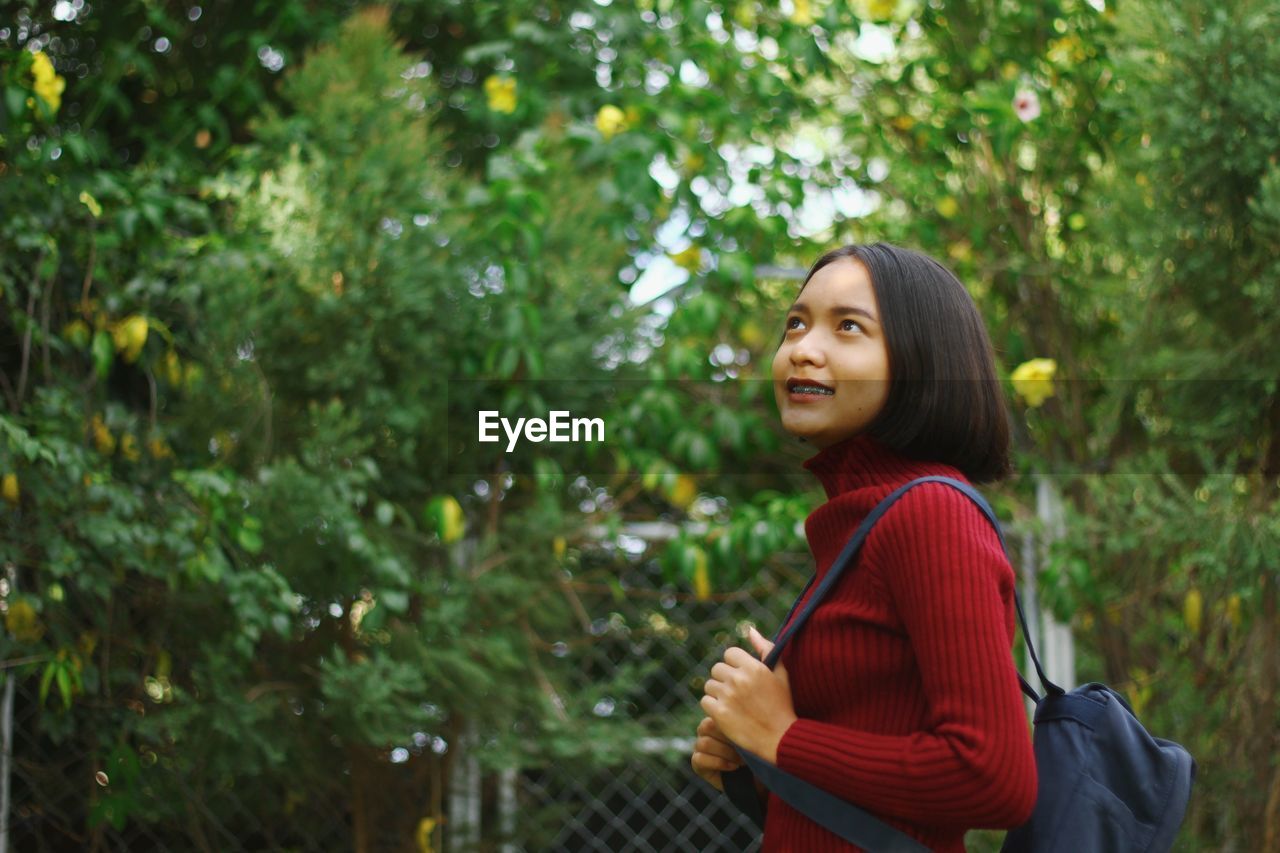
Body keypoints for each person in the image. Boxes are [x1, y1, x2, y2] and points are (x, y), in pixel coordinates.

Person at [689, 243, 1038, 851]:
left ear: (921, 360)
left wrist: (782, 737)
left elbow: (994, 777)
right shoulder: (860, 521)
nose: (803, 347)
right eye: (796, 323)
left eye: (848, 327)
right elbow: (873, 783)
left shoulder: (930, 514)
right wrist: (753, 760)